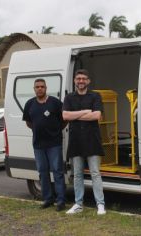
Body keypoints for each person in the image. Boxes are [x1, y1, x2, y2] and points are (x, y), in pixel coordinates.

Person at [63, 69, 106, 215]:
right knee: (77, 174)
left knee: (95, 173)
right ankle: (78, 204)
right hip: (75, 141)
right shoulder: (69, 98)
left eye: (84, 79)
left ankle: (100, 204)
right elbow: (65, 116)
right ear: (75, 80)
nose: (81, 81)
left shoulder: (95, 96)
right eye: (78, 78)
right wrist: (85, 112)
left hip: (92, 140)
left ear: (88, 81)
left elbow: (96, 115)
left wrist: (75, 115)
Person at [22, 78, 66, 211]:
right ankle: (48, 199)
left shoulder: (55, 103)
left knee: (58, 172)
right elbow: (29, 123)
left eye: (42, 86)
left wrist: (56, 131)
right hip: (38, 145)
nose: (39, 88)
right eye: (37, 87)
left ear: (46, 88)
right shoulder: (29, 104)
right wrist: (38, 129)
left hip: (54, 144)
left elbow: (64, 119)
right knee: (43, 172)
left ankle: (61, 201)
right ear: (34, 89)